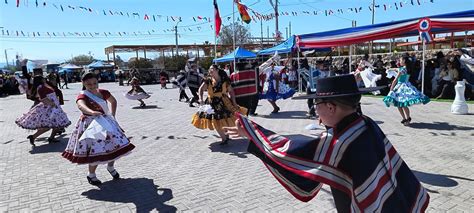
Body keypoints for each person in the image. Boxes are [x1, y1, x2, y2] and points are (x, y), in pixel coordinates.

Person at [224, 74, 430, 212]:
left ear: (331, 107)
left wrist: (253, 134)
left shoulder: (341, 141)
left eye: (317, 105)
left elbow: (292, 154)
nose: (317, 113)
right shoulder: (365, 124)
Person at [62, 73, 135, 186]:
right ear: (84, 84)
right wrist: (91, 112)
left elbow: (113, 101)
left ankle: (110, 167)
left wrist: (113, 115)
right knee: (95, 150)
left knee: (115, 146)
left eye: (94, 83)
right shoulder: (83, 95)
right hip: (91, 125)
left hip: (106, 121)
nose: (92, 86)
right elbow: (81, 105)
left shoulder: (103, 92)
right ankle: (91, 175)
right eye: (89, 84)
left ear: (98, 81)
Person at [191, 64, 247, 145]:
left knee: (225, 119)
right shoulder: (208, 80)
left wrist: (234, 102)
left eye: (212, 69)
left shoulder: (225, 80)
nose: (210, 70)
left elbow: (231, 91)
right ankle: (224, 138)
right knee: (216, 121)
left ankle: (226, 136)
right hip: (212, 104)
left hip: (224, 102)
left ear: (217, 70)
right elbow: (201, 89)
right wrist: (201, 99)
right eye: (209, 69)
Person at [15, 76, 71, 146]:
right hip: (50, 108)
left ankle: (51, 138)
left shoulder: (44, 85)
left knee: (57, 124)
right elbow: (43, 99)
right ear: (40, 80)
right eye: (43, 78)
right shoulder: (40, 87)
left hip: (53, 107)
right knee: (48, 126)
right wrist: (52, 104)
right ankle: (33, 137)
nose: (45, 79)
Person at [383, 57, 430, 125]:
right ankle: (405, 118)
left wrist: (391, 89)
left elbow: (395, 80)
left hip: (401, 86)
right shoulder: (405, 68)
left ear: (404, 61)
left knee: (402, 104)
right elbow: (396, 69)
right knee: (400, 104)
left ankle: (407, 118)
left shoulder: (402, 69)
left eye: (401, 60)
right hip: (404, 85)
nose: (399, 61)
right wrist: (390, 68)